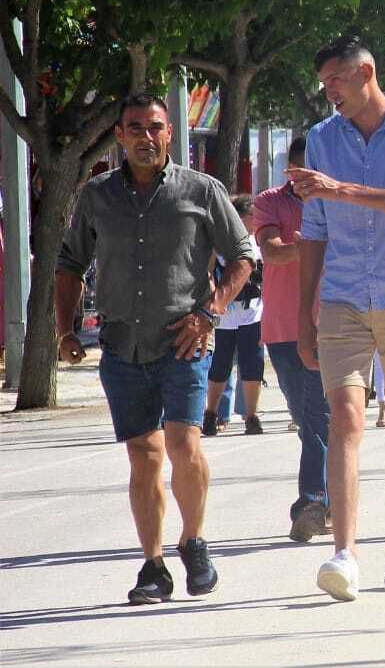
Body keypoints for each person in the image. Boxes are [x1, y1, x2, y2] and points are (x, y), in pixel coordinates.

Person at [55, 93, 252, 604]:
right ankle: (153, 565)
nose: (146, 137)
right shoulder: (98, 196)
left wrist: (210, 314)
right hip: (122, 346)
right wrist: (66, 330)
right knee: (144, 458)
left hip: (183, 341)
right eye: (135, 128)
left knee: (184, 445)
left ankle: (194, 540)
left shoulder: (202, 191)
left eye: (155, 127)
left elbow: (242, 259)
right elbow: (70, 262)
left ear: (170, 134)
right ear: (119, 135)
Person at [292, 35, 385, 601]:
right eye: (324, 83)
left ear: (366, 73)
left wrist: (342, 189)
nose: (329, 91)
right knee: (346, 419)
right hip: (343, 297)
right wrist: (303, 315)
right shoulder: (320, 140)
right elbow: (314, 229)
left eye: (336, 79)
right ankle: (344, 554)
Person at [254, 136, 333, 543]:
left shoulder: (339, 198)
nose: (309, 177)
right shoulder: (270, 201)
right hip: (283, 328)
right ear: (291, 167)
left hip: (334, 324)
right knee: (306, 420)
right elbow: (272, 252)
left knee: (318, 417)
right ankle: (330, 498)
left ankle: (311, 501)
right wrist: (308, 245)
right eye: (302, 168)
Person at [204, 195, 266, 436]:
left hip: (253, 312)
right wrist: (217, 298)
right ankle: (211, 412)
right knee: (220, 366)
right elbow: (208, 273)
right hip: (225, 315)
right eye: (251, 216)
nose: (255, 221)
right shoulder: (220, 242)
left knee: (253, 365)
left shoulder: (258, 242)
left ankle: (252, 415)